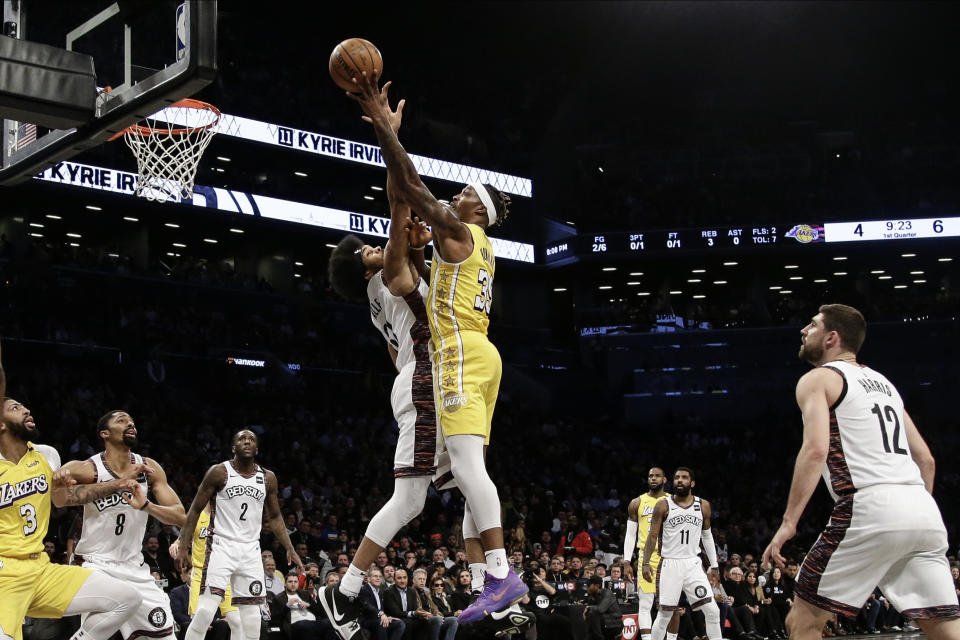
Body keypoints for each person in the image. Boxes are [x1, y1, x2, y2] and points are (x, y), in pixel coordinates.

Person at [348, 70, 523, 624]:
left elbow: (412, 190)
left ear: (478, 211)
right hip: (483, 353)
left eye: (468, 193)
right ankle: (489, 585)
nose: (459, 193)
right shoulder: (472, 247)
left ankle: (499, 575)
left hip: (459, 354)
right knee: (472, 471)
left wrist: (385, 130)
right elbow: (408, 198)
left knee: (469, 467)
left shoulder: (459, 231)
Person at [323, 97, 455, 640]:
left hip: (424, 378)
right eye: (366, 251)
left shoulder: (388, 291)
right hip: (425, 381)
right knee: (410, 499)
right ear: (363, 270)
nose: (376, 247)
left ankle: (489, 584)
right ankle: (344, 590)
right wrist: (386, 136)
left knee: (467, 480)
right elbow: (401, 201)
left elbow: (405, 214)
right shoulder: (387, 275)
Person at [762, 304, 960, 640]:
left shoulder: (819, 378)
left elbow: (815, 450)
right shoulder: (885, 384)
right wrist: (909, 512)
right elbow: (926, 459)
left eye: (812, 325)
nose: (803, 331)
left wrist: (788, 523)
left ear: (831, 338)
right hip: (923, 511)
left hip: (870, 506)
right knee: (946, 630)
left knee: (803, 621)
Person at [0, 338, 143, 640]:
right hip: (3, 576)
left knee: (127, 599)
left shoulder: (46, 455)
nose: (26, 410)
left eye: (25, 407)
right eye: (15, 408)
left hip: (41, 570)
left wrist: (114, 483)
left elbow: (62, 501)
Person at [61, 410, 186, 640]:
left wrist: (146, 506)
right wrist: (117, 484)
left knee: (165, 635)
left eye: (132, 421)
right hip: (96, 564)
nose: (130, 423)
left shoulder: (149, 468)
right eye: (122, 420)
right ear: (104, 433)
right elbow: (58, 497)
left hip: (134, 568)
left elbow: (180, 516)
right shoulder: (88, 468)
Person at [176, 429, 303, 640]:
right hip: (221, 547)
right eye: (241, 439)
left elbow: (275, 517)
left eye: (251, 439)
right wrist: (183, 545)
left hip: (251, 550)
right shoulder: (219, 472)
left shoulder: (267, 478)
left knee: (252, 618)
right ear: (233, 447)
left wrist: (290, 548)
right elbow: (195, 511)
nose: (247, 441)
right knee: (206, 610)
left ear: (257, 449)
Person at [642, 467, 722, 640]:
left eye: (684, 478)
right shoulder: (663, 505)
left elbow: (707, 536)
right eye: (677, 477)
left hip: (693, 564)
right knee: (665, 615)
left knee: (713, 611)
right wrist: (646, 563)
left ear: (692, 483)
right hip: (670, 564)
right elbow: (652, 536)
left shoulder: (703, 505)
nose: (679, 480)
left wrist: (714, 565)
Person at [625, 467, 680, 640]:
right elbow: (630, 534)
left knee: (671, 606)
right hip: (646, 557)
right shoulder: (637, 502)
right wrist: (627, 561)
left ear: (665, 479)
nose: (653, 478)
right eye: (650, 476)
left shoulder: (675, 501)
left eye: (657, 476)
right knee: (645, 603)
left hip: (669, 557)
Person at [269, 572, 335, 640]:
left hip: (313, 622)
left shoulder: (305, 593)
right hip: (295, 625)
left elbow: (318, 611)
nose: (293, 584)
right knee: (304, 624)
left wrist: (308, 605)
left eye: (295, 582)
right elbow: (275, 618)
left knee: (329, 622)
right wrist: (287, 606)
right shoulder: (279, 598)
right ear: (285, 583)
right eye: (290, 582)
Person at [357, 568, 405, 640]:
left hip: (378, 619)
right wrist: (381, 614)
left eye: (380, 576)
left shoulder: (380, 591)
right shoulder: (363, 589)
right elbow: (367, 606)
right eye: (375, 576)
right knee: (381, 623)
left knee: (399, 623)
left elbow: (381, 609)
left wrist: (387, 617)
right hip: (367, 620)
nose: (378, 578)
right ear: (369, 579)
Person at [583, 575, 621, 640]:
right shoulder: (592, 596)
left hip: (615, 622)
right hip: (603, 622)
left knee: (592, 614)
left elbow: (601, 609)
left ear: (597, 586)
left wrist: (588, 608)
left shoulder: (607, 593)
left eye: (589, 586)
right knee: (591, 615)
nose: (587, 588)